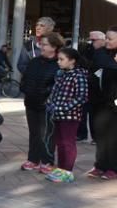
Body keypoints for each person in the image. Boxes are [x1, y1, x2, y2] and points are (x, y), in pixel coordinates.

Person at [44, 48, 90, 184]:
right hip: (58, 114)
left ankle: (67, 171)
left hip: (70, 116)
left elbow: (82, 97)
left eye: (61, 59)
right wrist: (50, 103)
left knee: (67, 143)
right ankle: (61, 168)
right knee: (60, 143)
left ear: (72, 61)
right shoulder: (62, 74)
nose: (58, 62)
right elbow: (55, 92)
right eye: (58, 59)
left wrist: (64, 108)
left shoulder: (79, 76)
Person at [19, 32, 63, 173]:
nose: (41, 47)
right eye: (41, 44)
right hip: (31, 102)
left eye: (44, 44)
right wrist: (25, 89)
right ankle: (33, 159)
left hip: (47, 106)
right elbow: (25, 78)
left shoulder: (59, 64)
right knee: (34, 133)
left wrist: (47, 94)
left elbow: (58, 85)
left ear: (54, 47)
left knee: (47, 134)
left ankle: (47, 162)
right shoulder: (34, 61)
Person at [86, 28, 117, 179]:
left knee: (112, 136)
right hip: (97, 101)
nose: (107, 41)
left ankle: (113, 168)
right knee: (99, 134)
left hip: (113, 104)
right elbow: (93, 71)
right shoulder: (101, 54)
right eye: (107, 38)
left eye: (111, 39)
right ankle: (100, 165)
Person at [77, 31, 106, 142]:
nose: (91, 42)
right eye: (90, 40)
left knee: (95, 113)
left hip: (98, 88)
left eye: (93, 40)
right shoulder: (88, 50)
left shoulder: (106, 53)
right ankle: (82, 134)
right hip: (87, 85)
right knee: (84, 111)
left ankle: (96, 137)